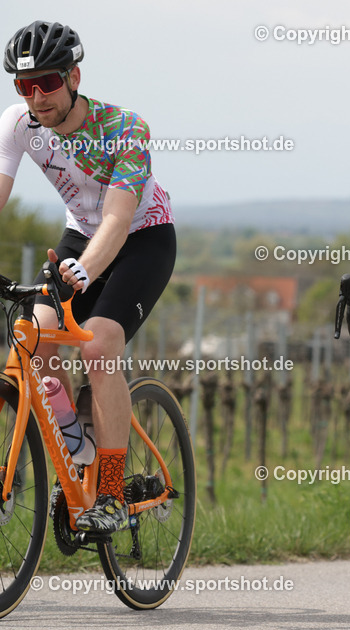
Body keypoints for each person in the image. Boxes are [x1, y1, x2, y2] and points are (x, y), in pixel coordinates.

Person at [0, 21, 175, 532]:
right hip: (79, 237)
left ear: (74, 76)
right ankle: (79, 446)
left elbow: (119, 219)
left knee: (98, 346)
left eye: (48, 83)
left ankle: (115, 492)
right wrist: (75, 263)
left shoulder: (125, 128)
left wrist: (87, 269)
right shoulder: (18, 125)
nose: (37, 97)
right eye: (24, 86)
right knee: (30, 341)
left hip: (143, 239)